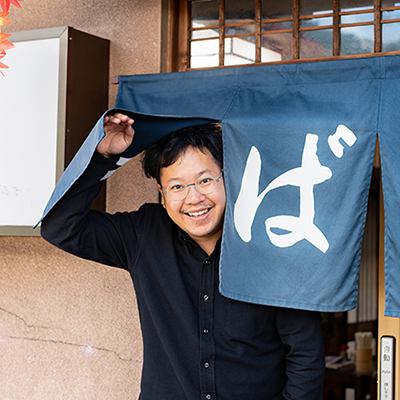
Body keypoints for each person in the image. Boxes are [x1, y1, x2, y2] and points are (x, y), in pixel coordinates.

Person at [41, 113, 325, 400]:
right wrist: (101, 155)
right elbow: (60, 227)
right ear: (162, 194)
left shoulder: (273, 241)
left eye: (205, 180)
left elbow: (305, 354)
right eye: (177, 187)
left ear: (229, 177)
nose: (194, 198)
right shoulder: (143, 234)